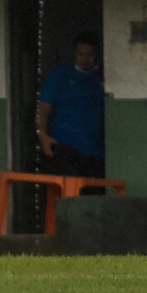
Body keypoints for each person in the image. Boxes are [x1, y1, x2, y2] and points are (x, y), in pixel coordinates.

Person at [36, 30, 106, 180]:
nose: (85, 60)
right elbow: (43, 110)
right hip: (65, 148)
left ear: (98, 54)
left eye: (90, 55)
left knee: (93, 196)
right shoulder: (59, 75)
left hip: (97, 150)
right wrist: (43, 136)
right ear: (75, 53)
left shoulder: (105, 76)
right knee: (67, 196)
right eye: (81, 54)